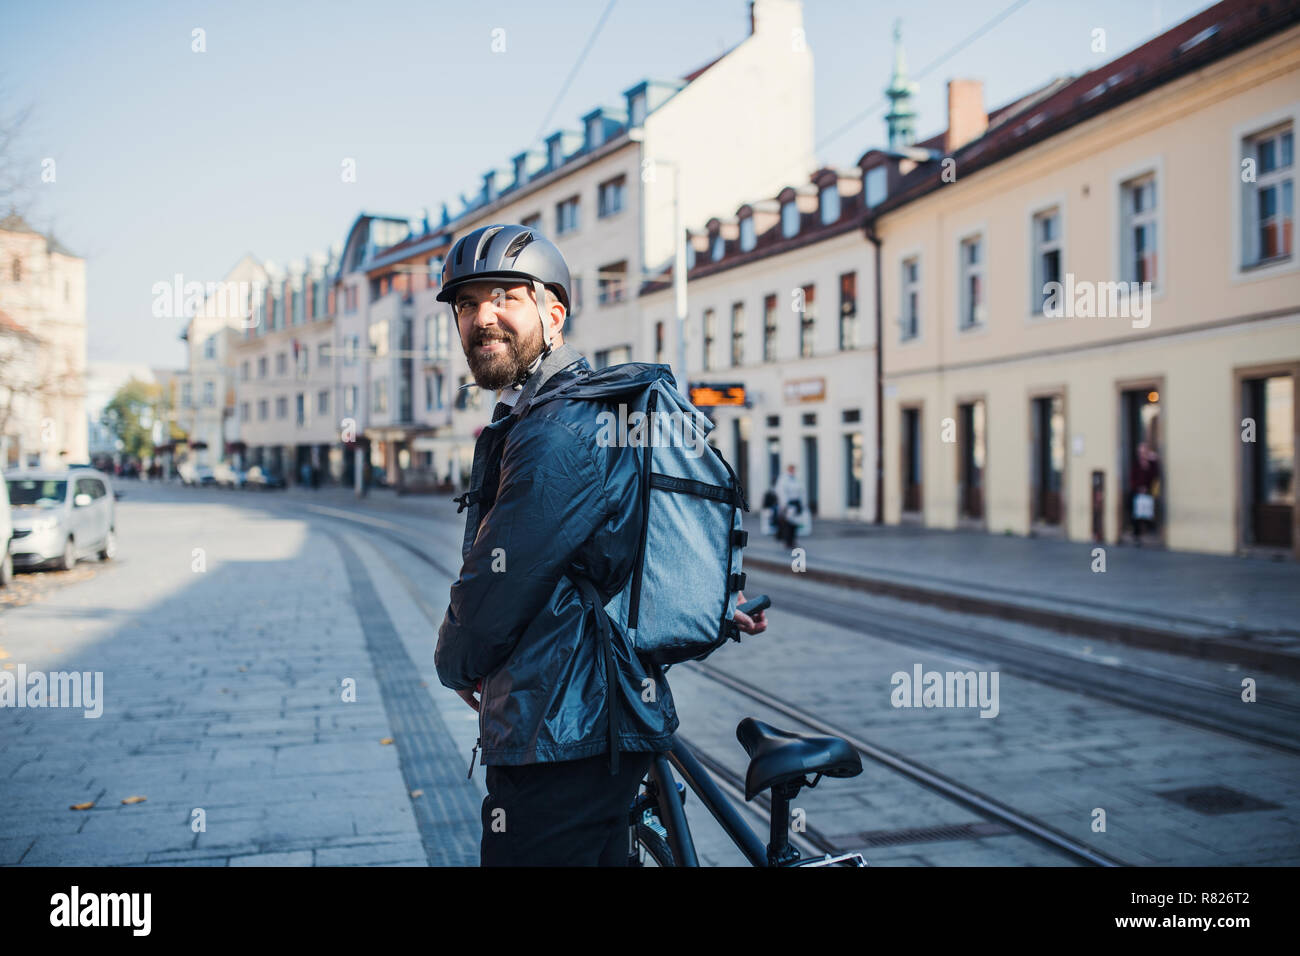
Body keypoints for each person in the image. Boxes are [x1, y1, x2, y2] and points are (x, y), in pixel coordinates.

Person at [434, 224, 766, 867]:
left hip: (563, 729)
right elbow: (623, 543)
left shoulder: (557, 428)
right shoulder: (584, 413)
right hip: (597, 720)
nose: (482, 318)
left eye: (505, 297)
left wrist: (455, 659)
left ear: (553, 314)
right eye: (467, 304)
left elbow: (499, 580)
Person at [1130, 441, 1161, 545]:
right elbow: (1133, 478)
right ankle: (1137, 534)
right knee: (1136, 513)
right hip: (1138, 491)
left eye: (1144, 452)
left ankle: (1149, 531)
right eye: (1140, 452)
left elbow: (1155, 476)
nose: (1142, 454)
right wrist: (1138, 488)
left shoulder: (1151, 465)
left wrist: (1154, 461)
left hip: (1148, 492)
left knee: (1148, 512)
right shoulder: (1136, 464)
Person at [775, 464, 806, 549]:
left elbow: (801, 491)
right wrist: (784, 504)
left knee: (795, 524)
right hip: (788, 504)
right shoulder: (783, 479)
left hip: (796, 503)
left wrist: (802, 503)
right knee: (787, 523)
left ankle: (793, 540)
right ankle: (787, 541)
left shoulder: (796, 479)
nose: (793, 471)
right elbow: (781, 492)